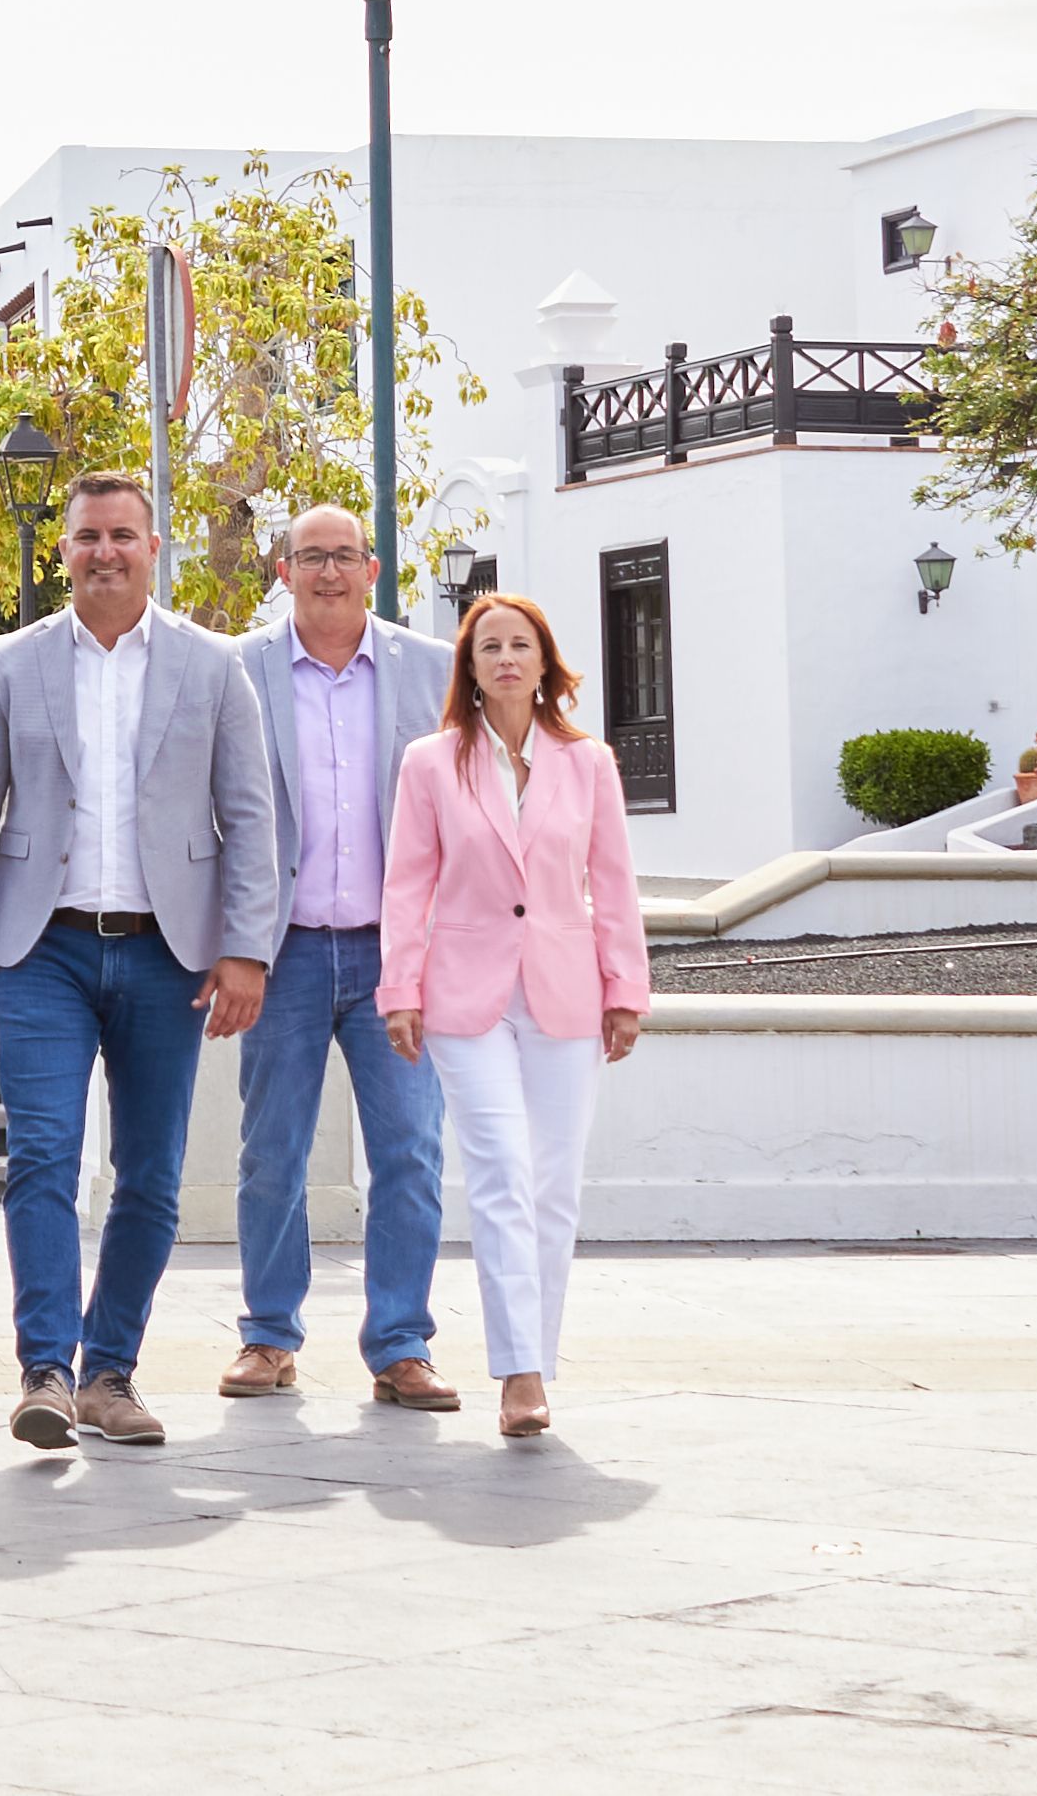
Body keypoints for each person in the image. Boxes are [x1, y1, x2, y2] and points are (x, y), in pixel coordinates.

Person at [0, 473, 279, 1451]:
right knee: (40, 1154)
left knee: (152, 1174)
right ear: (65, 549)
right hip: (44, 949)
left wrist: (247, 950)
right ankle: (44, 1367)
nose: (104, 551)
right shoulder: (11, 662)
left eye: (123, 534)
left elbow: (251, 818)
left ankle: (109, 1369)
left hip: (170, 955)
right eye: (88, 536)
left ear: (153, 546)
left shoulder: (213, 667)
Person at [382, 591, 650, 1439]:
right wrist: (400, 990)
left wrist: (625, 991)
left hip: (565, 995)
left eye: (519, 646)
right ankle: (519, 1374)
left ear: (544, 664)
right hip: (466, 999)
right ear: (468, 666)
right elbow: (405, 885)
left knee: (552, 1187)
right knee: (499, 1174)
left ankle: (539, 1350)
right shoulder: (430, 763)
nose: (504, 659)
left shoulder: (588, 763)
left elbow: (612, 885)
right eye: (487, 646)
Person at [227, 506, 462, 1415]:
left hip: (394, 957)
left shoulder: (433, 671)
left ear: (372, 569)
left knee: (410, 1150)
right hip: (279, 955)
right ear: (281, 571)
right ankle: (267, 1336)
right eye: (308, 556)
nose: (327, 571)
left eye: (343, 556)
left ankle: (401, 1345)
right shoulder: (238, 670)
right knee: (270, 1155)